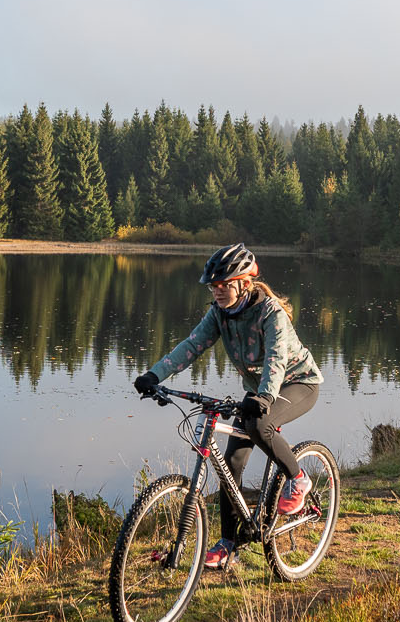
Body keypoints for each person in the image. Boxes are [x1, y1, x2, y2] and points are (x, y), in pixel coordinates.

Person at [133, 243, 324, 570]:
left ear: (244, 283)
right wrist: (155, 373)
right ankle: (227, 545)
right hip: (260, 392)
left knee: (258, 425)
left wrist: (264, 397)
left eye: (224, 284)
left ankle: (298, 478)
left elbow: (276, 360)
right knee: (230, 465)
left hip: (298, 383)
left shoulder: (270, 313)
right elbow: (191, 346)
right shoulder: (219, 314)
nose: (217, 291)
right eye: (213, 286)